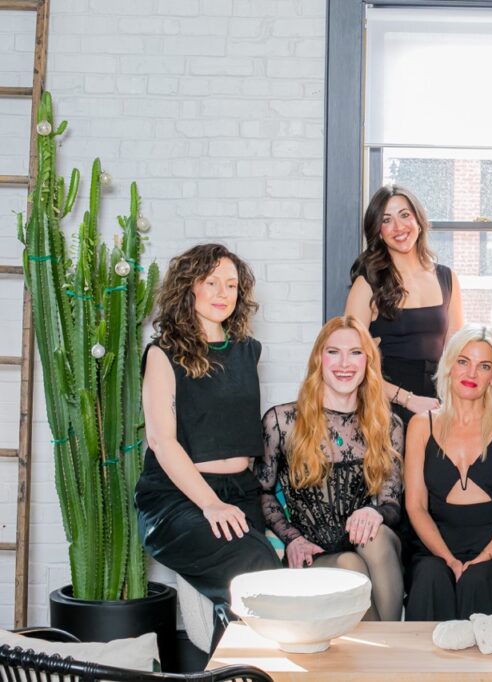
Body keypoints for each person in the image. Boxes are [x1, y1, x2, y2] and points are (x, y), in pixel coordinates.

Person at [135, 244, 280, 642]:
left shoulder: (248, 351)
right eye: (211, 282)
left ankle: (231, 667)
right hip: (177, 496)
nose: (222, 293)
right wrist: (210, 503)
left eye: (231, 285)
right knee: (257, 562)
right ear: (189, 287)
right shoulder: (163, 354)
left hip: (240, 490)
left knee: (258, 585)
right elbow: (162, 443)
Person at [258, 316, 404, 621]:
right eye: (333, 351)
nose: (344, 363)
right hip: (315, 553)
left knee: (373, 539)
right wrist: (292, 539)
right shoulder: (282, 422)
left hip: (368, 547)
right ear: (318, 359)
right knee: (350, 565)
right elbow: (263, 493)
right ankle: (388, 659)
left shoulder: (388, 425)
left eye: (356, 353)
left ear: (367, 362)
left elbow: (392, 503)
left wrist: (374, 512)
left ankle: (386, 652)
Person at [403, 325, 492, 620]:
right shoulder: (421, 425)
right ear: (449, 366)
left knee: (478, 580)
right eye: (463, 361)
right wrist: (448, 559)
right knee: (429, 578)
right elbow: (416, 506)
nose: (472, 373)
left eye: (484, 366)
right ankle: (421, 666)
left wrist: (483, 559)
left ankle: (486, 667)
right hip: (436, 545)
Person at [345, 184, 464, 424]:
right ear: (378, 231)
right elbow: (350, 363)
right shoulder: (367, 283)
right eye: (387, 220)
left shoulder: (447, 278)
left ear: (418, 220)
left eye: (405, 215)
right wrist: (409, 400)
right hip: (387, 408)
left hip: (439, 406)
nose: (399, 227)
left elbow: (456, 351)